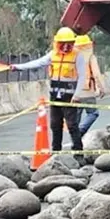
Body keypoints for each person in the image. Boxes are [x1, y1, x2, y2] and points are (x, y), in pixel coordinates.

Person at [11, 27, 89, 159]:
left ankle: (78, 153)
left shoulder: (77, 56)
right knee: (55, 124)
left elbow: (82, 76)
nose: (66, 47)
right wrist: (18, 67)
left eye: (69, 43)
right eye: (63, 44)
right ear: (57, 43)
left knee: (72, 125)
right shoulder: (53, 55)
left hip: (69, 97)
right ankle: (56, 152)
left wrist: (77, 95)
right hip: (54, 96)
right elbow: (38, 63)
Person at [74, 34, 109, 133]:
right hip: (87, 91)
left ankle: (75, 138)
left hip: (74, 91)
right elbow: (97, 74)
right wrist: (102, 88)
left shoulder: (73, 57)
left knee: (76, 116)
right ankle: (81, 131)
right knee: (93, 113)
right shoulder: (90, 57)